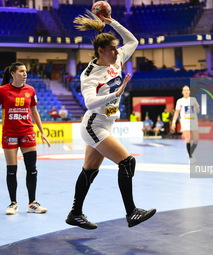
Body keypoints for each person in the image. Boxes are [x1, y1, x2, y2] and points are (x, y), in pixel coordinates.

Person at [65, 11, 156, 230]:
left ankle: (75, 213)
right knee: (127, 162)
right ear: (100, 51)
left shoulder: (117, 60)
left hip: (106, 123)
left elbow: (133, 41)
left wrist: (110, 22)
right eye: (113, 49)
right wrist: (114, 95)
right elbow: (89, 102)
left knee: (89, 170)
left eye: (117, 48)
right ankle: (131, 212)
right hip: (94, 125)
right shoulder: (90, 74)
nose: (117, 52)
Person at [0, 62, 51, 215]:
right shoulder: (2, 90)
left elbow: (34, 112)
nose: (25, 74)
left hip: (27, 132)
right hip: (10, 133)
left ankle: (32, 203)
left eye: (25, 71)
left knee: (32, 169)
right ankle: (13, 204)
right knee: (11, 170)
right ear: (12, 74)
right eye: (21, 71)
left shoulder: (30, 90)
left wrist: (42, 132)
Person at [172, 85, 200, 164]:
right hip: (185, 121)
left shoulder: (193, 99)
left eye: (187, 90)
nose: (186, 91)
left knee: (196, 141)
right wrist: (174, 122)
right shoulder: (180, 101)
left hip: (193, 121)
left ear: (189, 91)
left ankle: (191, 153)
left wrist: (196, 108)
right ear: (182, 92)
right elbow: (177, 112)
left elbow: (198, 111)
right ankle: (190, 157)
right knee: (188, 139)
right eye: (185, 90)